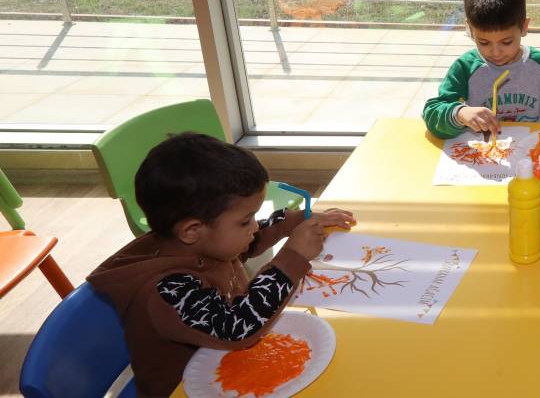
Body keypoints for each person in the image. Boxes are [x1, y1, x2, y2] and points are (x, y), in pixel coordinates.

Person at [88, 133, 356, 397]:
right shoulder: (166, 291)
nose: (254, 227)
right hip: (182, 390)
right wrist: (293, 256)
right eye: (245, 221)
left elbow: (250, 240)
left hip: (231, 371)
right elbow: (237, 327)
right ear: (192, 230)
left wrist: (292, 221)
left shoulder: (202, 243)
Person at [423, 0, 540, 139]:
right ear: (469, 29)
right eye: (484, 43)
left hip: (534, 151)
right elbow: (433, 113)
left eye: (506, 42)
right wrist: (460, 113)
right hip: (484, 156)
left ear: (524, 27)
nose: (496, 53)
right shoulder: (465, 68)